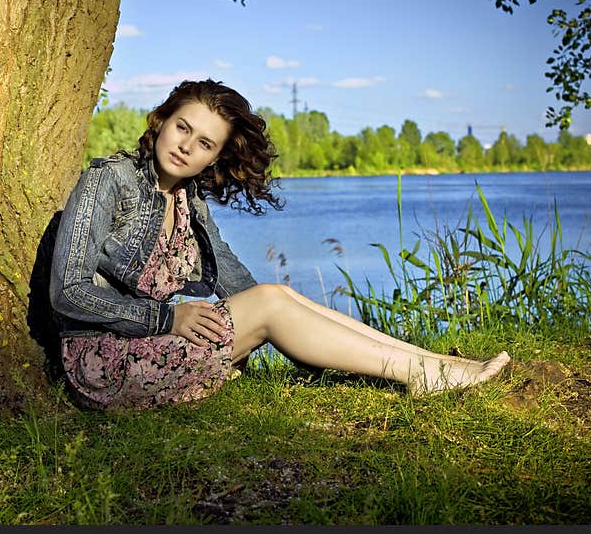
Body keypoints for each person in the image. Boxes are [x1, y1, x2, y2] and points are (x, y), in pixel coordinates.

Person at [48, 79, 510, 411]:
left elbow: (242, 286)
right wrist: (168, 315)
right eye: (183, 128)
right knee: (272, 302)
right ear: (162, 120)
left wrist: (296, 329)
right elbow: (67, 292)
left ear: (215, 157)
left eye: (205, 143)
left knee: (279, 295)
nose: (187, 147)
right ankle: (425, 374)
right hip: (105, 361)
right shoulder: (109, 180)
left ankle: (430, 365)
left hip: (154, 344)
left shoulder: (189, 200)